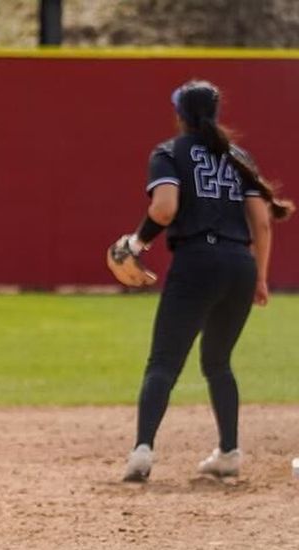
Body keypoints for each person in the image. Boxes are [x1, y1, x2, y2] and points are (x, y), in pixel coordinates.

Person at [116, 79, 293, 482]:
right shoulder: (239, 156)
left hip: (198, 260)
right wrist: (260, 277)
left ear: (180, 115)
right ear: (215, 114)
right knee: (217, 361)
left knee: (163, 362)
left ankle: (142, 452)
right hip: (239, 267)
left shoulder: (168, 152)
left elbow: (164, 210)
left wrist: (136, 242)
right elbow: (262, 222)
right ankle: (229, 452)